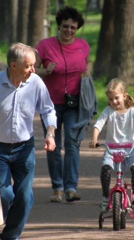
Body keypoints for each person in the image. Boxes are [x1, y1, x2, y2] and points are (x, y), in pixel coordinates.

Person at [0, 43, 57, 240]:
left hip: (25, 148)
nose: (33, 70)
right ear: (13, 65)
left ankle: (10, 236)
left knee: (25, 197)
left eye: (34, 65)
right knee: (4, 196)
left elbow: (48, 109)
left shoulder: (36, 83)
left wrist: (50, 133)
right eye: (29, 66)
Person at [35, 6, 93, 203]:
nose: (69, 30)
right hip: (49, 105)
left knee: (72, 144)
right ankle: (57, 188)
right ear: (59, 26)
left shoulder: (83, 45)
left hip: (74, 103)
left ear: (77, 29)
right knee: (53, 145)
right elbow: (31, 69)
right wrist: (45, 72)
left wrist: (87, 75)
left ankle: (71, 188)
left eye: (73, 28)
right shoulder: (45, 45)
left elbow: (88, 61)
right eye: (66, 26)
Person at [89, 78, 134, 212]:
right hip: (112, 149)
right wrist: (94, 139)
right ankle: (105, 196)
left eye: (116, 98)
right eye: (111, 99)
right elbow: (98, 125)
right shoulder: (108, 111)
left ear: (124, 96)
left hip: (131, 148)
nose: (114, 102)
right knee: (106, 168)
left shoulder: (133, 112)